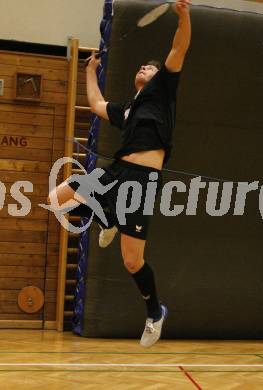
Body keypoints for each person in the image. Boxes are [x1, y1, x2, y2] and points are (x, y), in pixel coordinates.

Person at [47, 0, 191, 347]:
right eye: (142, 66)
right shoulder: (128, 108)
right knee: (55, 199)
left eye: (149, 67)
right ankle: (107, 218)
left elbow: (179, 45)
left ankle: (155, 313)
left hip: (143, 182)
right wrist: (88, 72)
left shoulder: (163, 91)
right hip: (116, 172)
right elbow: (96, 105)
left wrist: (183, 15)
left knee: (132, 261)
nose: (144, 67)